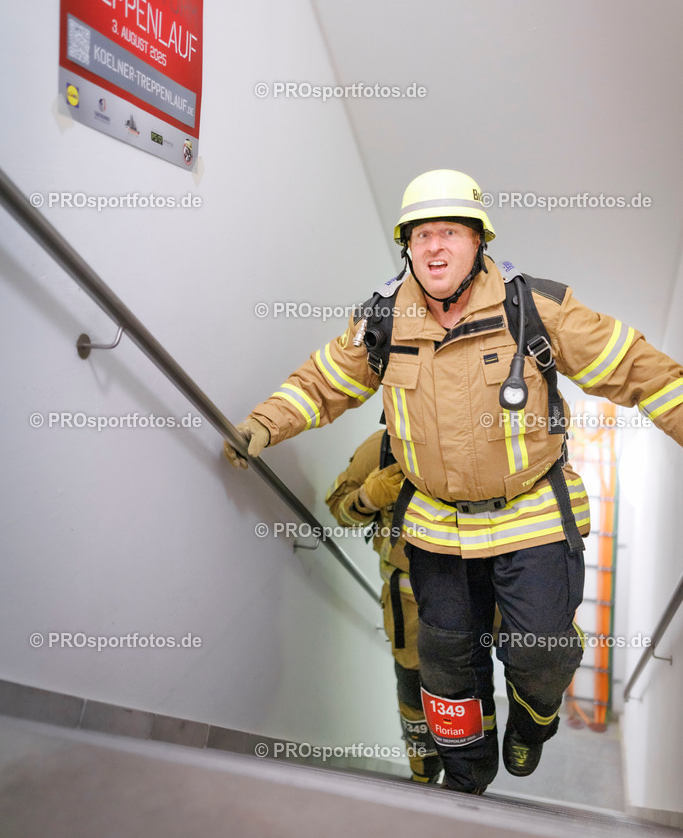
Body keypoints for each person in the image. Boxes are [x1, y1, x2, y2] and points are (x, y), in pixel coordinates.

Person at [224, 169, 683, 795]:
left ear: (479, 241)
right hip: (437, 525)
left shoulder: (536, 309)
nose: (434, 247)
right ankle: (467, 785)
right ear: (406, 245)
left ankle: (532, 722)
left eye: (449, 232)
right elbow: (321, 383)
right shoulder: (383, 321)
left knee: (541, 652)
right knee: (444, 669)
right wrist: (262, 425)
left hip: (533, 514)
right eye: (420, 235)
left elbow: (641, 371)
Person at [324, 428, 443, 784]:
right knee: (411, 687)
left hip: (471, 592)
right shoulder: (380, 449)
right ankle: (423, 771)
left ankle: (466, 773)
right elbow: (339, 512)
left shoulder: (477, 439)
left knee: (463, 684)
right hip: (406, 601)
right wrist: (366, 499)